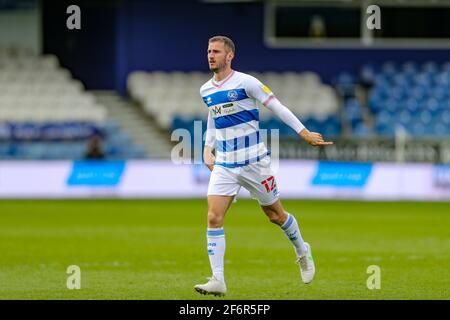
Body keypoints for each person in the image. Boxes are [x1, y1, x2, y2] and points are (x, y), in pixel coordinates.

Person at [194, 36, 333, 296]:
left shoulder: (247, 83)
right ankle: (218, 280)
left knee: (275, 216)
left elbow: (277, 107)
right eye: (209, 51)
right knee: (214, 217)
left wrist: (302, 132)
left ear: (230, 55)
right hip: (225, 164)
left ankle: (303, 250)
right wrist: (206, 148)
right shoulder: (206, 90)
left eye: (216, 51)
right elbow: (212, 117)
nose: (210, 55)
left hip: (255, 163)